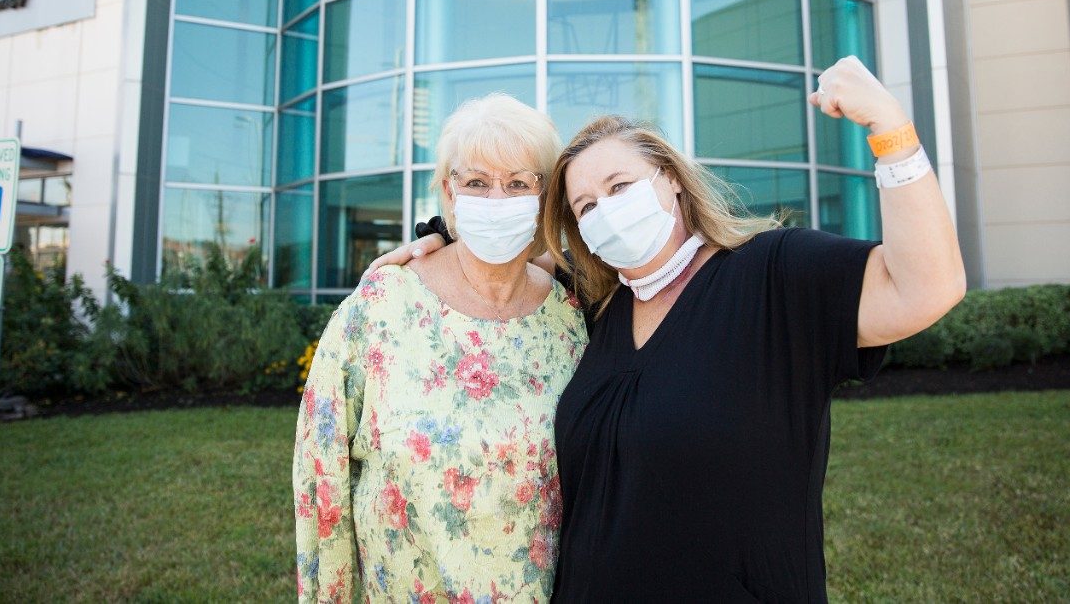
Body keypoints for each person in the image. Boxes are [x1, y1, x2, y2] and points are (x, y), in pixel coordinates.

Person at [370, 56, 967, 601]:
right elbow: (513, 255)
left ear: (672, 178)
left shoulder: (771, 275)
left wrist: (890, 131)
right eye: (585, 208)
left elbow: (925, 288)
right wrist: (444, 238)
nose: (605, 212)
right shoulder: (602, 306)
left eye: (619, 188)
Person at [293, 93, 588, 602]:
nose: (497, 201)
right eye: (476, 182)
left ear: (545, 201)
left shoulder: (572, 320)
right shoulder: (381, 305)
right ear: (449, 195)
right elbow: (321, 474)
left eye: (519, 183)